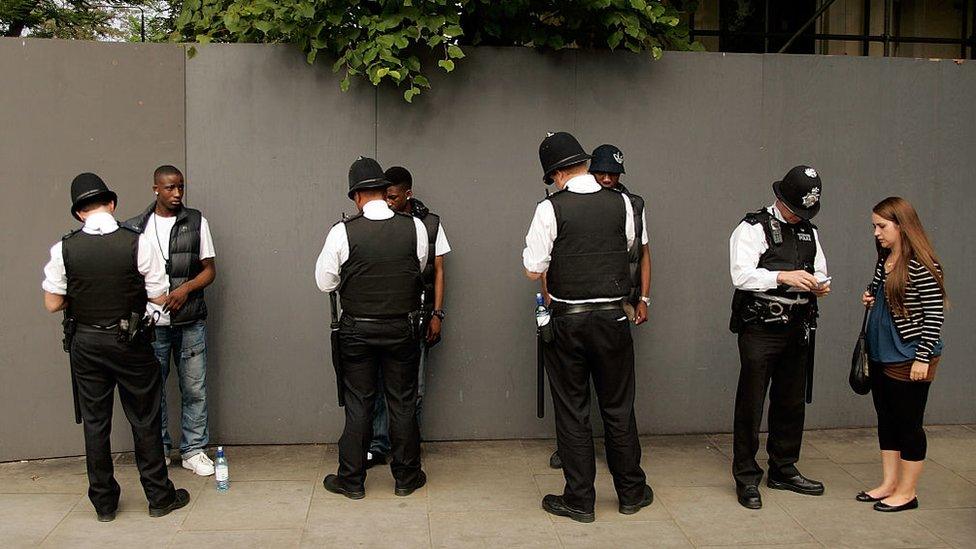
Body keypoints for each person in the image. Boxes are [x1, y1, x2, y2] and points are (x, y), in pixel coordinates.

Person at [42, 173, 190, 522]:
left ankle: (104, 504)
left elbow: (52, 303)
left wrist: (81, 295)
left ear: (79, 213)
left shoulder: (64, 247)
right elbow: (157, 294)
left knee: (95, 423)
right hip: (131, 340)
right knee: (145, 419)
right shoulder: (137, 242)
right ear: (111, 204)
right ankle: (158, 497)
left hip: (86, 343)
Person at [523, 132, 653, 523]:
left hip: (569, 320)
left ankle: (580, 500)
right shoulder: (624, 204)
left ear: (559, 172)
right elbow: (632, 247)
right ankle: (631, 492)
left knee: (573, 411)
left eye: (553, 178)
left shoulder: (550, 208)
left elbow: (534, 269)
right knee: (618, 407)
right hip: (614, 318)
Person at [315, 156, 429, 498]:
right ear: (383, 190)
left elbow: (325, 282)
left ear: (356, 197)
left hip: (358, 331)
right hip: (402, 328)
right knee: (403, 402)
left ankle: (351, 480)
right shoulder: (415, 226)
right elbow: (419, 266)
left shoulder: (342, 231)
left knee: (359, 404)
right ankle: (407, 477)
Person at [728, 165, 831, 510]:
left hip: (798, 323)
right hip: (761, 326)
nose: (800, 216)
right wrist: (783, 277)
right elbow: (741, 275)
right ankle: (746, 476)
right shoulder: (753, 227)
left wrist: (819, 284)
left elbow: (820, 270)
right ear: (780, 198)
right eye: (795, 209)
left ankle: (783, 468)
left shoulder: (809, 232)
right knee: (752, 402)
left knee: (790, 401)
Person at [548, 143, 651, 470]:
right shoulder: (564, 205)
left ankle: (622, 464)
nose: (607, 178)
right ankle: (578, 458)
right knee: (583, 400)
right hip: (579, 307)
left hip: (615, 305)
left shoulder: (630, 205)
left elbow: (642, 254)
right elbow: (552, 259)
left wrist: (642, 299)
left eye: (613, 173)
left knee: (614, 400)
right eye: (601, 172)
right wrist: (551, 298)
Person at [126, 165, 217, 476]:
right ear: (155, 189)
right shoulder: (136, 228)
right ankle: (160, 449)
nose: (177, 193)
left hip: (190, 321)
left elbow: (209, 270)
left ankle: (193, 450)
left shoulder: (195, 221)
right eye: (169, 188)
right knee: (154, 390)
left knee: (195, 388)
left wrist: (185, 289)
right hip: (153, 325)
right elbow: (130, 278)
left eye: (180, 187)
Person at [857, 196, 946, 513]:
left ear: (902, 225)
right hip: (882, 353)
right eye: (874, 226)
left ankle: (907, 492)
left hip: (909, 357)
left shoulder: (922, 264)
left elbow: (934, 315)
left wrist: (923, 357)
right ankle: (889, 483)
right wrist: (872, 296)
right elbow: (892, 299)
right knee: (887, 419)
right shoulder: (885, 259)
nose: (876, 233)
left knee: (909, 424)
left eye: (882, 226)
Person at [364, 166, 451, 469]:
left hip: (420, 317)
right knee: (378, 384)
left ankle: (408, 446)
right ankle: (378, 444)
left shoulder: (429, 224)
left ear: (408, 194)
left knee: (415, 389)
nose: (387, 202)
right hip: (387, 317)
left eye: (393, 197)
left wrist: (438, 314)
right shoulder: (380, 223)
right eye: (384, 196)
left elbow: (438, 271)